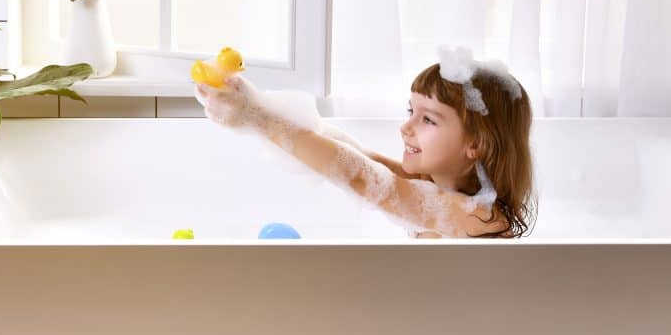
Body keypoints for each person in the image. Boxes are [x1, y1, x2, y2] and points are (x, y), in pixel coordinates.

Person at [194, 46, 536, 238]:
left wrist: (260, 118)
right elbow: (362, 158)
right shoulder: (436, 190)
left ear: (475, 145)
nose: (407, 127)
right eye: (411, 111)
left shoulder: (476, 216)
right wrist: (253, 104)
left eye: (428, 119)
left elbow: (361, 177)